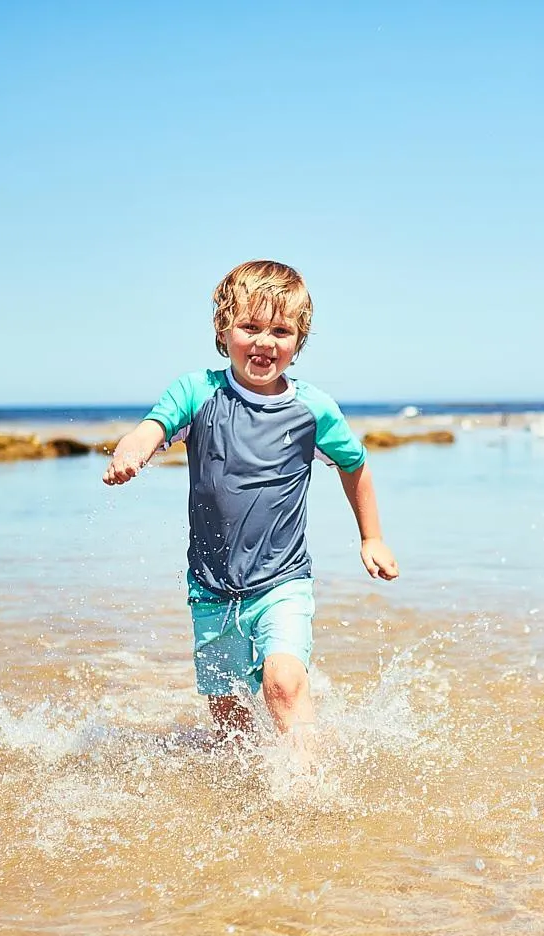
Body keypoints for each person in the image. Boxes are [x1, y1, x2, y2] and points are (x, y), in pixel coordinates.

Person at [103, 260, 398, 758]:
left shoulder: (313, 410)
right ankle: (242, 793)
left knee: (282, 684)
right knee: (229, 720)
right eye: (250, 327)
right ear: (225, 329)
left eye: (281, 331)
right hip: (212, 586)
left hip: (283, 580)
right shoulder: (198, 392)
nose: (264, 342)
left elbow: (356, 464)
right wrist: (134, 447)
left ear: (298, 342)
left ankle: (309, 790)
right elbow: (156, 424)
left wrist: (372, 537)